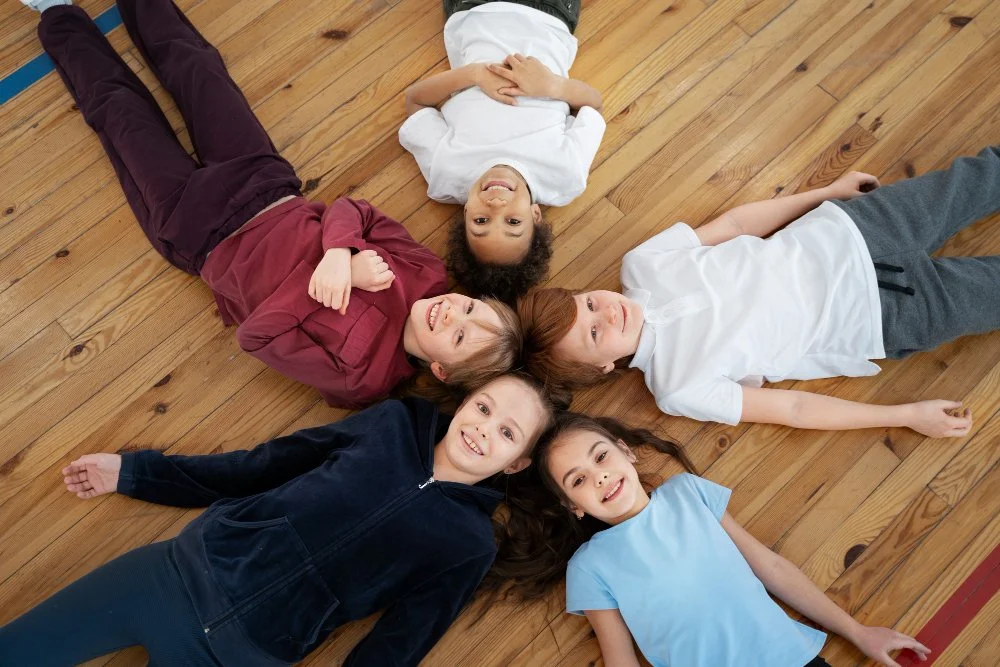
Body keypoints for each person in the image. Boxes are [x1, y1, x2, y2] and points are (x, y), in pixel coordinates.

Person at [24, 0, 520, 410]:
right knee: (196, 67)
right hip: (265, 184)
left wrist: (326, 285)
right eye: (473, 309)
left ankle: (56, 12)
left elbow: (256, 338)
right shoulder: (426, 274)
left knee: (120, 112)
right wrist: (339, 254)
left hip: (199, 232)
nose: (455, 312)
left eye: (460, 337)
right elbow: (355, 210)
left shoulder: (360, 382)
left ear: (441, 370)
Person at [0, 374, 554, 666]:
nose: (485, 428)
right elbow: (263, 465)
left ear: (519, 461)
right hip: (166, 578)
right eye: (484, 407)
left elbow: (400, 640)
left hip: (240, 656)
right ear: (463, 403)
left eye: (508, 432)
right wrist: (138, 474)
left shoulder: (470, 544)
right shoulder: (390, 424)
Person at [519, 150, 1000, 436]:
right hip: (884, 315)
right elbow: (794, 408)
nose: (606, 312)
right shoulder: (677, 386)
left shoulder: (643, 264)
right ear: (603, 368)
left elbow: (734, 224)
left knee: (979, 178)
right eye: (595, 333)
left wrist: (825, 192)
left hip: (854, 229)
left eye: (587, 304)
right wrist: (905, 415)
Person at [506, 412, 930, 667]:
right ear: (573, 506)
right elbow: (621, 659)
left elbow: (771, 568)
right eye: (578, 479)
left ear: (626, 451)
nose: (598, 475)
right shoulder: (590, 565)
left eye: (600, 456)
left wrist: (856, 632)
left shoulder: (687, 492)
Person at [400, 0, 605, 302]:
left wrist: (474, 74)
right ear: (535, 215)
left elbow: (415, 102)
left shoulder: (446, 173)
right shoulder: (565, 175)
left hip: (475, 9)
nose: (496, 204)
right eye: (513, 222)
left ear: (466, 213)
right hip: (550, 14)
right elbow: (593, 105)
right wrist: (552, 86)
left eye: (481, 222)